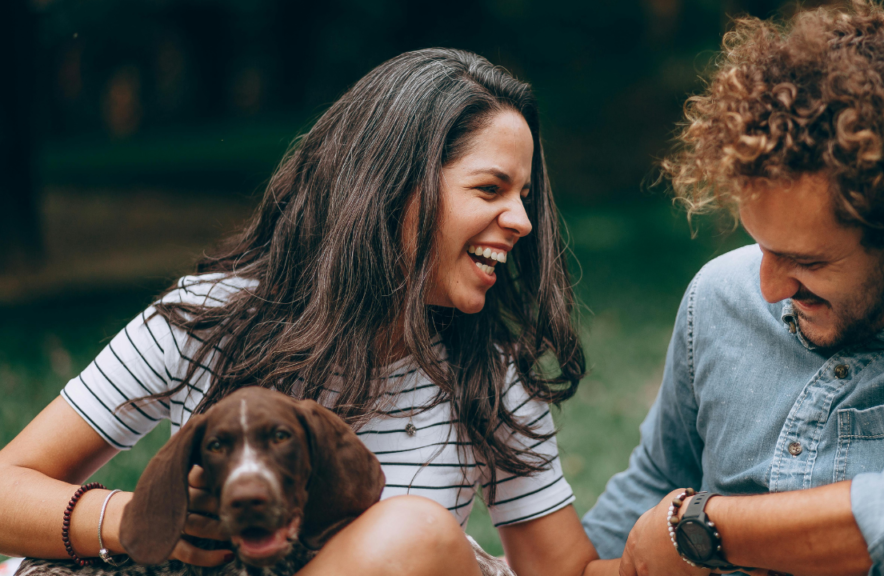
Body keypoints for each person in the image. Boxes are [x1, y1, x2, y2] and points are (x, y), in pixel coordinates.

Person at [0, 48, 605, 576]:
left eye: (525, 197)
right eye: (490, 189)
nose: (523, 222)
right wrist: (139, 519)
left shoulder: (489, 376)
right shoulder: (211, 318)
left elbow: (562, 571)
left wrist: (677, 540)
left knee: (413, 538)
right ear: (393, 184)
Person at [582, 3, 884, 575]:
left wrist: (702, 527)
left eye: (806, 261)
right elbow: (655, 482)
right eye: (762, 247)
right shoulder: (719, 295)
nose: (767, 289)